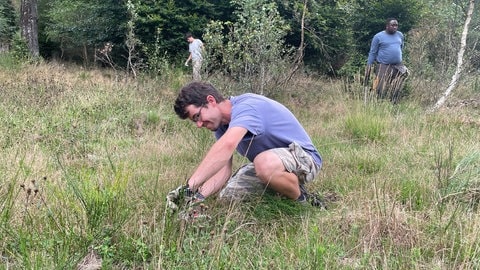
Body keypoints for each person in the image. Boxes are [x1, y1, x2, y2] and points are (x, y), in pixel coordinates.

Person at [170, 81, 322, 207]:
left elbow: (227, 146)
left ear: (211, 101)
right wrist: (196, 199)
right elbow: (223, 170)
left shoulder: (247, 107)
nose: (199, 124)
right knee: (229, 197)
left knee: (263, 163)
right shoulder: (222, 126)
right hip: (273, 164)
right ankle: (282, 191)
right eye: (195, 121)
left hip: (305, 159)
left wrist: (189, 186)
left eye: (197, 116)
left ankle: (303, 202)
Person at [365, 18, 409, 103]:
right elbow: (372, 52)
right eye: (392, 25)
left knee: (397, 86)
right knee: (380, 87)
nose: (395, 27)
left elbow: (401, 47)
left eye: (396, 25)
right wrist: (369, 66)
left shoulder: (400, 35)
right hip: (383, 66)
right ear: (387, 26)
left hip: (398, 65)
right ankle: (378, 103)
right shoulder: (378, 37)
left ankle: (394, 104)